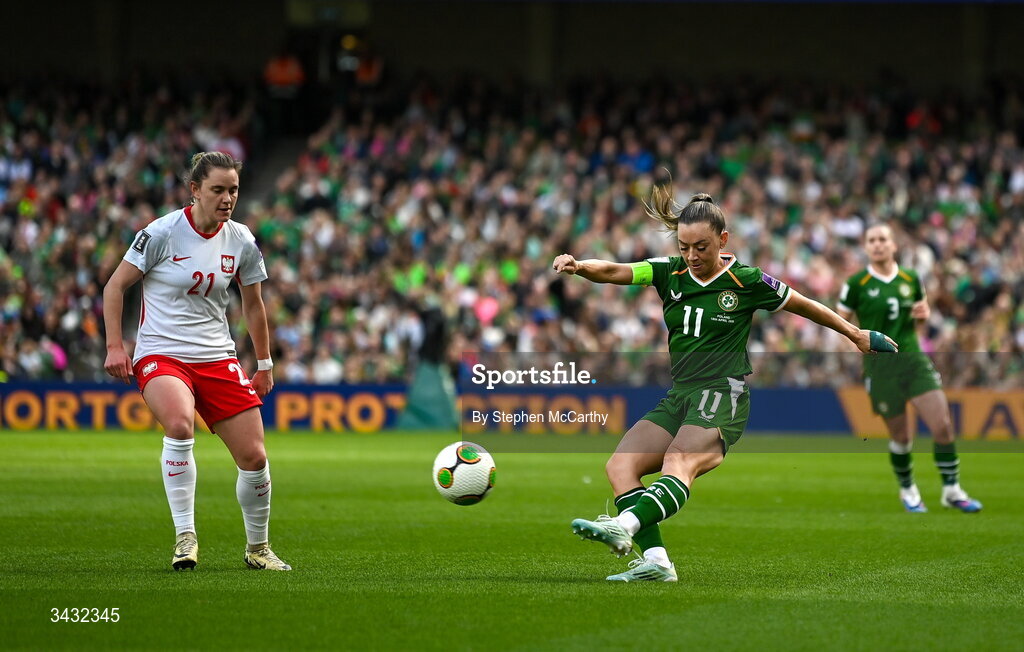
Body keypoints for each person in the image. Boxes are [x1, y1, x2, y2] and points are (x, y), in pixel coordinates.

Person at [552, 190, 898, 582]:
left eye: (701, 247)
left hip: (722, 392)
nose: (692, 256)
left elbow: (804, 304)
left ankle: (626, 525)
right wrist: (579, 266)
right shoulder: (670, 271)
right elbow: (618, 271)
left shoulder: (746, 281)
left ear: (723, 239)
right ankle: (658, 563)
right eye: (684, 247)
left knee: (678, 462)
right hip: (680, 394)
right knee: (621, 466)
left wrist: (855, 334)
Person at [103, 151, 291, 571]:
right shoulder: (161, 233)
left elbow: (254, 306)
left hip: (215, 356)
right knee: (180, 424)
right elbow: (114, 287)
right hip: (162, 353)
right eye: (218, 190)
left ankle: (258, 549)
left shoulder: (241, 239)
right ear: (195, 191)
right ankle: (185, 537)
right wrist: (117, 346)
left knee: (255, 457)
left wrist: (264, 363)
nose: (228, 199)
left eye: (234, 190)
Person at [837, 223, 982, 514]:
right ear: (866, 247)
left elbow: (920, 318)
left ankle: (952, 490)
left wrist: (924, 315)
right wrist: (849, 345)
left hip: (913, 360)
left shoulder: (911, 278)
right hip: (880, 367)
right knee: (901, 436)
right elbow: (841, 320)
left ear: (893, 245)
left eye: (883, 239)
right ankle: (909, 490)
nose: (878, 244)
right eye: (872, 240)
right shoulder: (856, 284)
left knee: (942, 424)